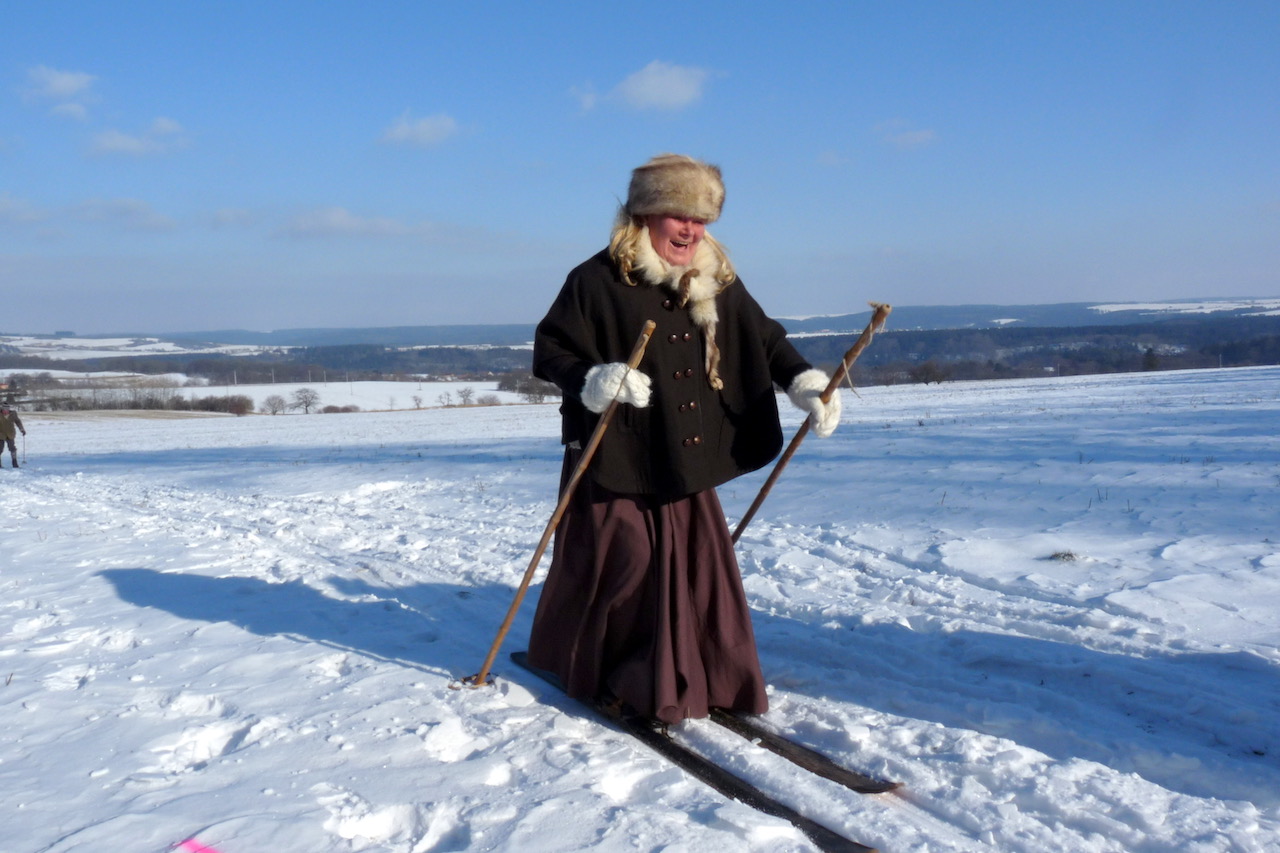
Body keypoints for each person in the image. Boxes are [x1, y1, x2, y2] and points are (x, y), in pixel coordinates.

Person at [527, 153, 841, 725]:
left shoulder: (715, 277)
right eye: (677, 215)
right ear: (646, 215)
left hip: (681, 455)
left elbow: (763, 337)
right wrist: (593, 379)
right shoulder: (596, 279)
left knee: (697, 570)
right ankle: (613, 672)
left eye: (700, 219)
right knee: (628, 564)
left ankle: (701, 674)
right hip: (613, 453)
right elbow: (550, 351)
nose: (691, 230)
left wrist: (801, 381)